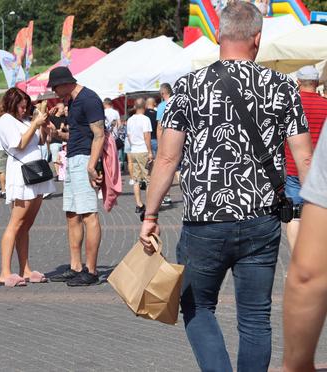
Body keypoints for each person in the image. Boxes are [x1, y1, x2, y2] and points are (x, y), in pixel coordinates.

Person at [137, 3, 313, 370]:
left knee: (198, 307)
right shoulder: (283, 87)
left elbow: (167, 159)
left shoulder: (189, 86)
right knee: (255, 318)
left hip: (205, 221)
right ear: (258, 38)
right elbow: (305, 159)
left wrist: (150, 214)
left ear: (218, 34)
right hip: (263, 218)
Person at [47, 66, 106, 286]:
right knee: (72, 214)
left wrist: (92, 165)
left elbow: (99, 134)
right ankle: (75, 266)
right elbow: (79, 132)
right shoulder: (72, 101)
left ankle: (91, 271)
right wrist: (57, 133)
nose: (54, 92)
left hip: (84, 159)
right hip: (72, 158)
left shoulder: (89, 99)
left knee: (89, 214)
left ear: (66, 82)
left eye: (55, 87)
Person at [0, 88, 55, 287]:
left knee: (26, 225)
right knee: (16, 223)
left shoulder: (24, 120)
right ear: (12, 104)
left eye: (26, 106)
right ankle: (5, 272)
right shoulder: (5, 120)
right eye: (21, 106)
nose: (24, 110)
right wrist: (35, 124)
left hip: (35, 173)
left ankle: (25, 268)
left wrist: (44, 127)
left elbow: (39, 141)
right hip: (22, 175)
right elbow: (19, 144)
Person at [282, 123, 327, 372]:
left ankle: (295, 249)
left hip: (298, 170)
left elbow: (309, 274)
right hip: (308, 165)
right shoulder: (323, 103)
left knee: (297, 217)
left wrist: (295, 365)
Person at [284, 66, 327, 252]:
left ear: (298, 82)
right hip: (320, 172)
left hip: (293, 168)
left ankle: (296, 256)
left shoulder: (290, 105)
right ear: (317, 83)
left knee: (295, 215)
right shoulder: (326, 105)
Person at [126, 98, 153, 213]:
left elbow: (129, 135)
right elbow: (147, 135)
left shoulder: (130, 120)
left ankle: (139, 204)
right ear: (145, 107)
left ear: (135, 107)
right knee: (148, 179)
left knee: (136, 179)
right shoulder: (145, 119)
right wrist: (150, 151)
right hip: (143, 150)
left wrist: (133, 146)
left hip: (134, 150)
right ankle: (150, 205)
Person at [157, 83, 174, 207]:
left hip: (167, 139)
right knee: (178, 169)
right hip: (180, 138)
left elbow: (159, 127)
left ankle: (166, 196)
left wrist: (160, 144)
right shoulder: (178, 102)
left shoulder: (162, 105)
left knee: (166, 168)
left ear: (163, 93)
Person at [48, 102, 66, 178]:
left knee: (62, 158)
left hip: (63, 142)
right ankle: (58, 174)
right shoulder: (51, 118)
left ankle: (62, 173)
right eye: (62, 108)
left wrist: (63, 128)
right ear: (58, 109)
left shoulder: (64, 118)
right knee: (55, 159)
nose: (63, 110)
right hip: (54, 142)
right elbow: (49, 128)